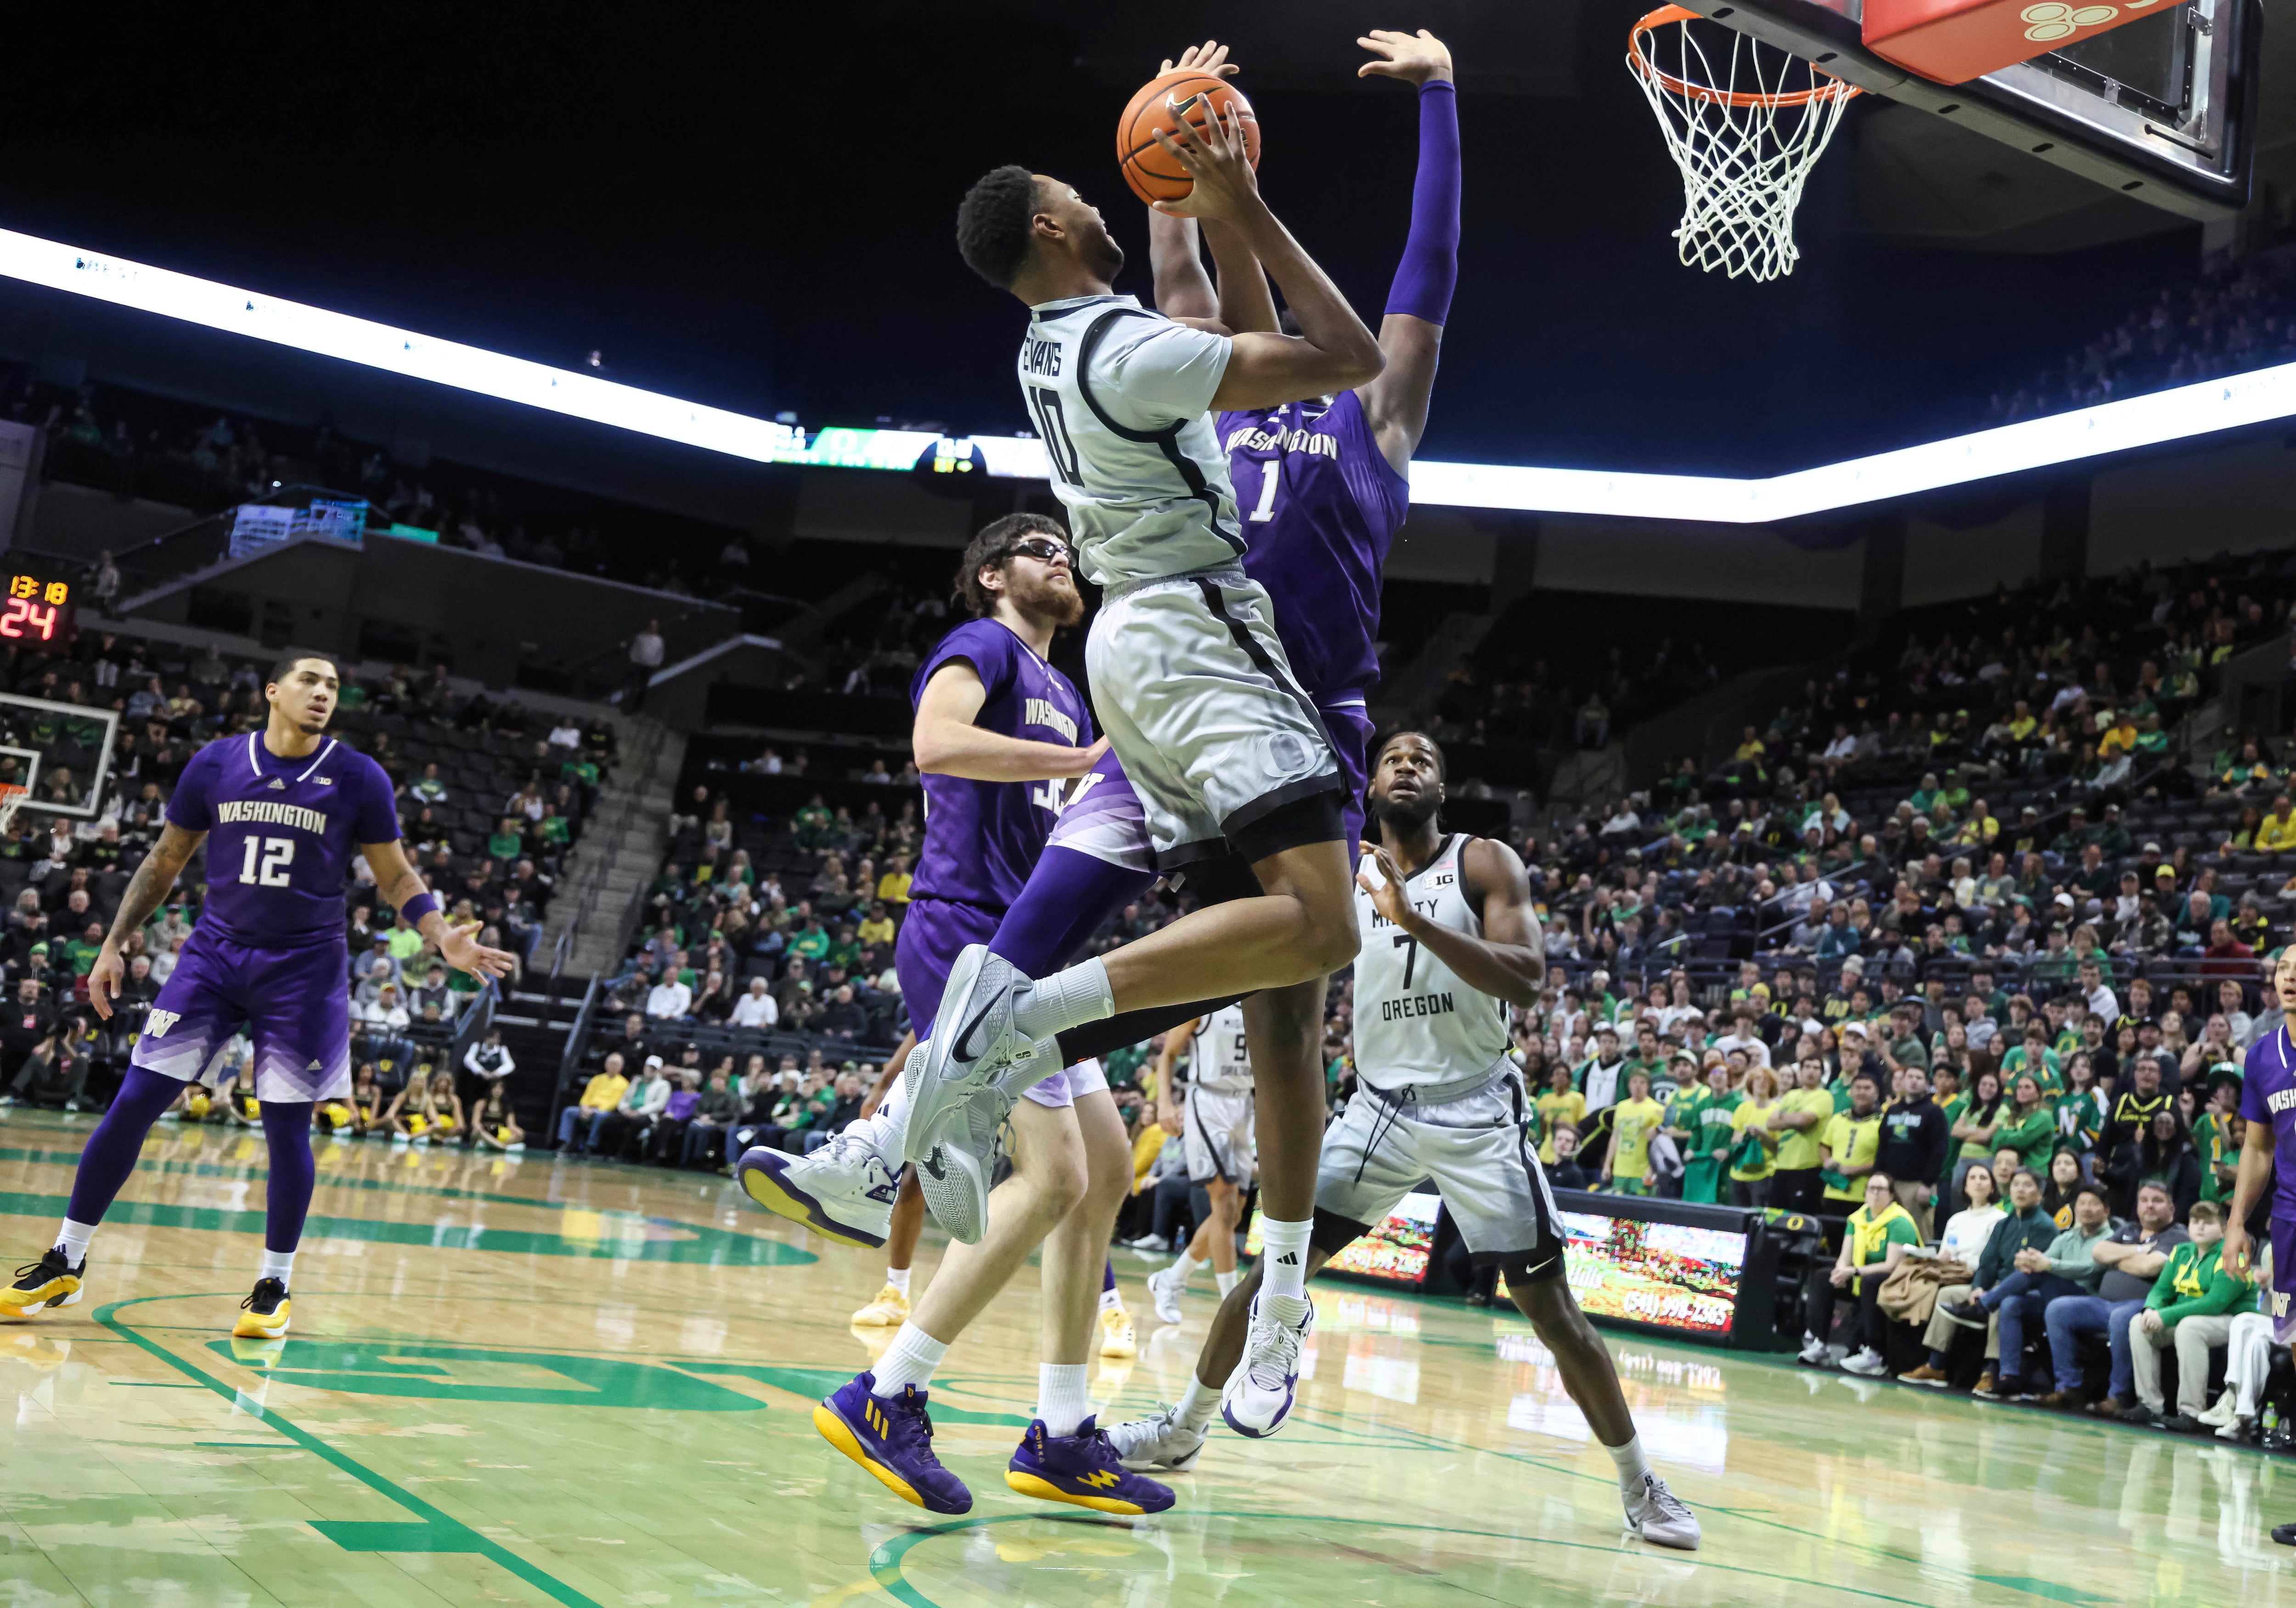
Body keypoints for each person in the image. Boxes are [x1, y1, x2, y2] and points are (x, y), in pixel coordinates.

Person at [898, 32, 1401, 1434]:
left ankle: (1215, 1321)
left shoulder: (1070, 343)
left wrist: (1184, 175)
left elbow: (1214, 294)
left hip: (1201, 675)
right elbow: (1330, 343)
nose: (1120, 208)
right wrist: (1226, 195)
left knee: (1273, 1015)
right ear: (1059, 225)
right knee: (1311, 940)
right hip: (1205, 660)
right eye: (1102, 192)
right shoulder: (1133, 353)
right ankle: (992, 1044)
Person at [1104, 732, 1699, 1549]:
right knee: (1272, 1270)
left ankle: (1642, 1486)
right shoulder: (1341, 870)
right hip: (1375, 1111)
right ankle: (1184, 1426)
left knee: (1555, 1314)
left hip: (1477, 1113)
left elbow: (1527, 978)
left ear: (1443, 790)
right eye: (1392, 758)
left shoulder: (1484, 862)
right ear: (1370, 786)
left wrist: (1412, 919)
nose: (1407, 766)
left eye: (1423, 759)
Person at [737, 511, 1165, 1518]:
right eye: (1036, 549)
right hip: (969, 935)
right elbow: (934, 743)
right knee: (1053, 1173)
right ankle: (888, 1391)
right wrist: (1082, 768)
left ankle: (1061, 1430)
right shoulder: (982, 647)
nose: (1060, 560)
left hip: (1034, 948)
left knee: (1102, 1170)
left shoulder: (1066, 684)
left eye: (1066, 551)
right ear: (988, 575)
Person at [0, 655, 510, 1335]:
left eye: (333, 686)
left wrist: (441, 934)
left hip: (303, 969)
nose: (323, 693)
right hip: (214, 955)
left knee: (285, 1127)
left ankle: (274, 1285)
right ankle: (67, 1258)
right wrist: (115, 941)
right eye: (310, 680)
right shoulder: (214, 764)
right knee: (134, 1103)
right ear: (273, 691)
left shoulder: (358, 776)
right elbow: (165, 859)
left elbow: (395, 874)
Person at [2225, 945, 2296, 1543]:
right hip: (2290, 1224)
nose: (2293, 975)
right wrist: (2235, 1223)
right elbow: (2258, 1149)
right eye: (2283, 968)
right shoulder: (2262, 1057)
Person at [1948, 1182, 2114, 1400]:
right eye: (2082, 1203)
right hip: (2054, 1297)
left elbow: (2091, 1270)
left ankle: (1984, 1306)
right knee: (2012, 1304)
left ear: (2106, 1210)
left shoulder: (2111, 1239)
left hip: (2088, 1299)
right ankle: (2009, 1377)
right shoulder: (2067, 1237)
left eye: (2094, 1204)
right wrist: (2027, 1261)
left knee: (2041, 1272)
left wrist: (2046, 1265)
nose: (2086, 1208)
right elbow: (2043, 1260)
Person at [1145, 1004, 1254, 1322]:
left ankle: (1171, 1280)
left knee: (1233, 1213)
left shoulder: (1264, 994)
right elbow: (1168, 1054)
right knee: (1223, 1204)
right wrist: (1165, 1102)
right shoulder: (1211, 999)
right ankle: (1233, 1311)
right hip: (1208, 1102)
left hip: (1244, 1104)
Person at [2120, 1198, 2245, 1428]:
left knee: (2190, 1327)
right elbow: (2161, 1290)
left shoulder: (2234, 1256)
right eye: (2195, 1221)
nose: (2199, 1227)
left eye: (2208, 1223)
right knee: (2139, 1323)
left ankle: (2191, 1412)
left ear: (2224, 1228)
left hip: (2233, 1320)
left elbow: (2214, 1303)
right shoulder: (2181, 1252)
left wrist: (2166, 1316)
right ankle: (2149, 1405)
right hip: (2187, 1316)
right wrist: (2152, 1309)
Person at [1799, 1171, 1921, 1375]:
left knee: (1870, 1282)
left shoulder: (1899, 1221)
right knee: (1823, 1278)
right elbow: (1845, 1257)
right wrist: (1840, 1272)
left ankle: (1875, 1354)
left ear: (1891, 1195)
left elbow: (1891, 1265)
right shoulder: (1856, 1219)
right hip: (1861, 1275)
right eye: (1871, 1189)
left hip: (1897, 1281)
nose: (1875, 1193)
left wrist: (1853, 1271)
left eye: (1881, 1189)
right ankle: (1819, 1344)